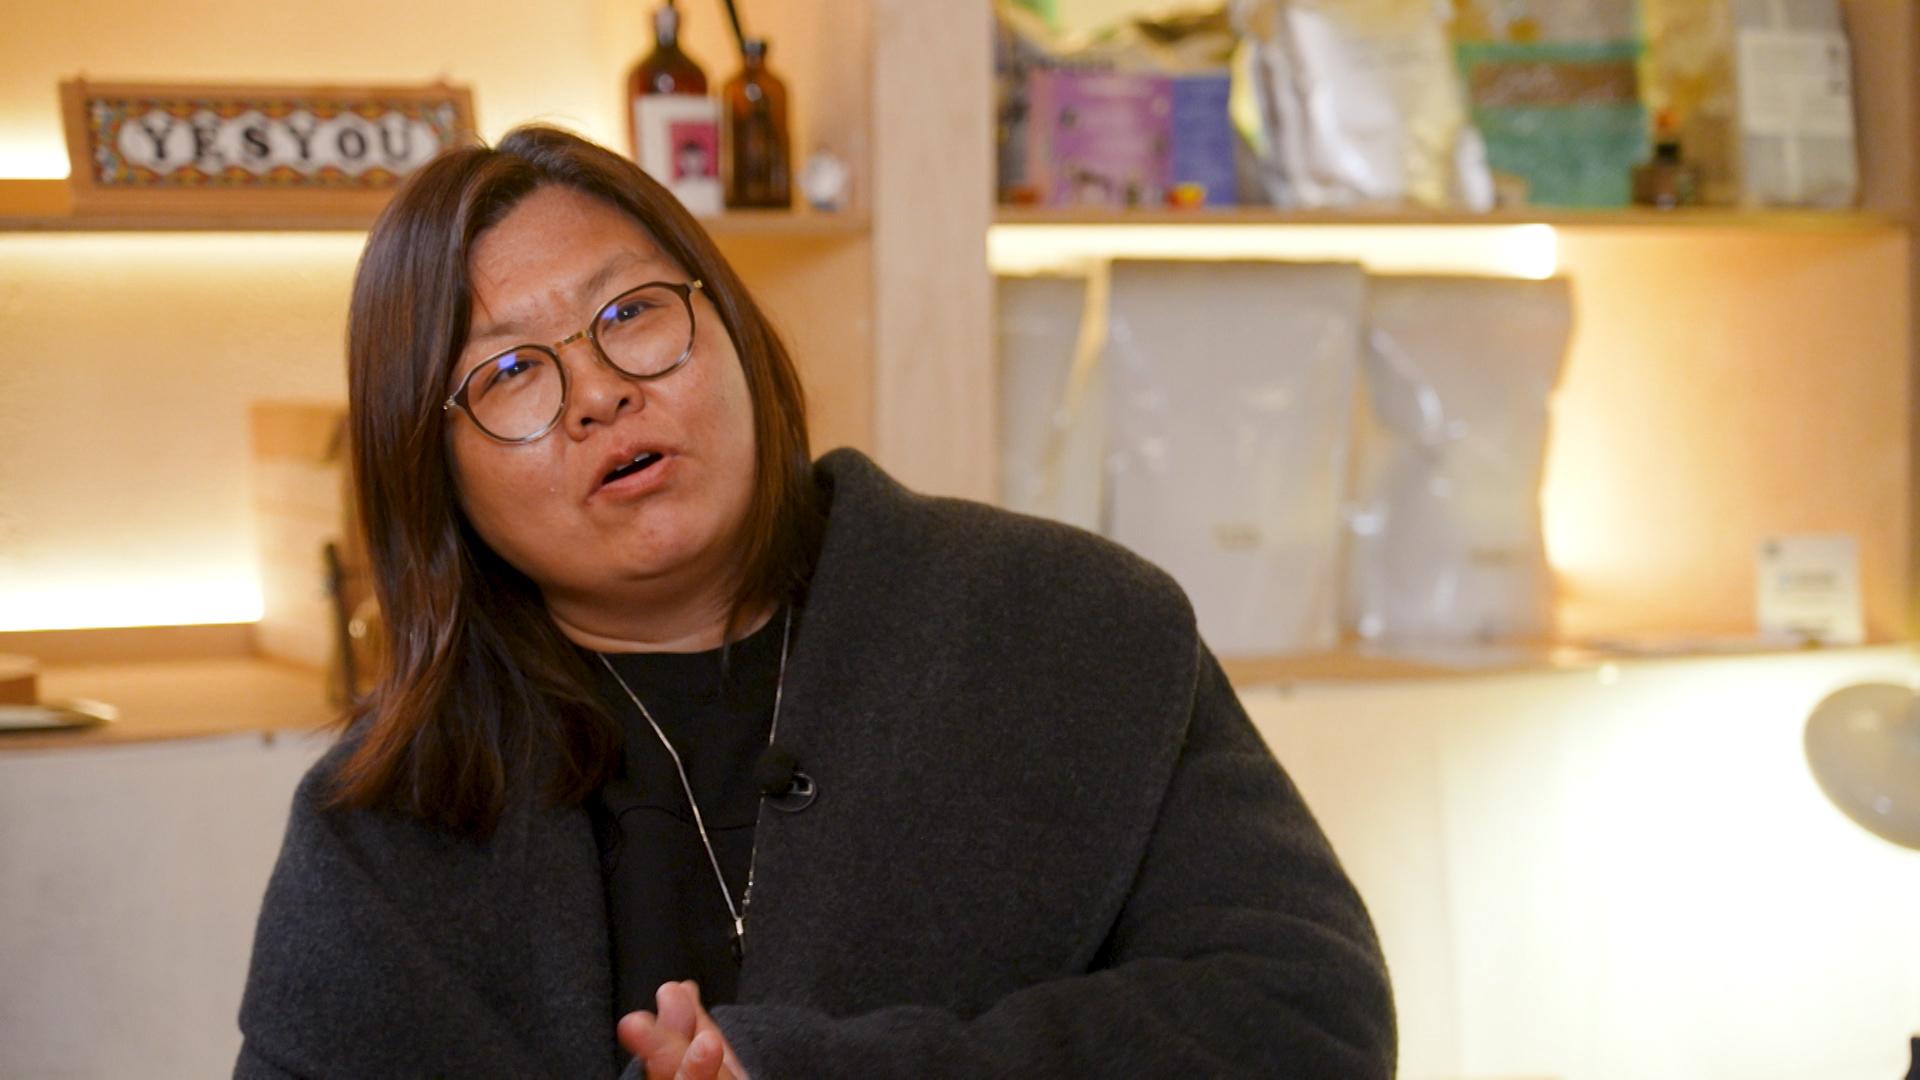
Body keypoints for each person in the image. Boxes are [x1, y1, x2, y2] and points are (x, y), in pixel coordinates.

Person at [234, 124, 1395, 1079]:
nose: (597, 393)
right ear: (432, 476)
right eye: (506, 373)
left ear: (731, 325)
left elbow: (1307, 1024)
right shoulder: (387, 825)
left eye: (630, 314)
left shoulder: (1074, 626)